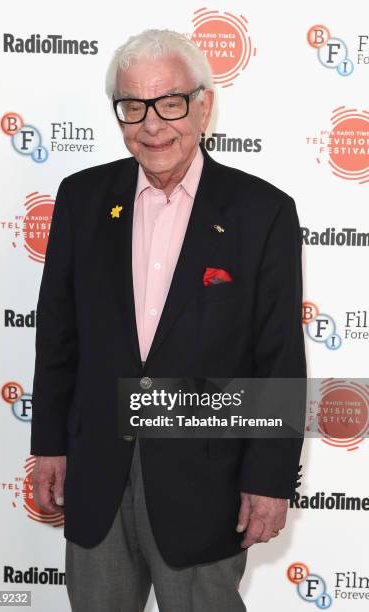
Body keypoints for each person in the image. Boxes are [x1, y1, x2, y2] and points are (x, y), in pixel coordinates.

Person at [31, 29, 306, 612]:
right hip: (97, 475)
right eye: (133, 106)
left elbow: (277, 355)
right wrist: (49, 444)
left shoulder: (263, 212)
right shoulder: (81, 199)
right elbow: (57, 336)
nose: (152, 124)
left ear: (203, 105)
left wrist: (270, 479)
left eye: (170, 103)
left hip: (205, 485)